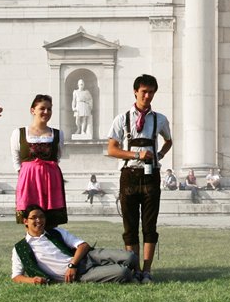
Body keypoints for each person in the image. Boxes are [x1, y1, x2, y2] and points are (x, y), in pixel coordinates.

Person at [106, 74, 173, 283]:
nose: (148, 95)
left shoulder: (160, 119)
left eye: (151, 92)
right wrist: (136, 155)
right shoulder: (121, 118)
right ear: (136, 92)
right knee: (130, 224)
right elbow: (111, 149)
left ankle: (147, 270)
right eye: (144, 91)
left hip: (151, 174)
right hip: (129, 174)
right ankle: (133, 268)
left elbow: (168, 141)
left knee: (150, 225)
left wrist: (159, 155)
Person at [11, 205, 137, 284]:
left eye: (41, 217)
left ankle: (137, 274)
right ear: (25, 221)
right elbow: (16, 276)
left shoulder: (55, 232)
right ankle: (133, 274)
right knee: (123, 273)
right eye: (34, 218)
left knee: (131, 257)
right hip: (80, 276)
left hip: (87, 257)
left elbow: (83, 246)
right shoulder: (20, 248)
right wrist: (32, 280)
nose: (39, 220)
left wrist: (72, 265)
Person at [11, 94, 67, 226]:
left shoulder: (58, 134)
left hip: (50, 179)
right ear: (33, 110)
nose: (46, 112)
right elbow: (16, 161)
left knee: (51, 222)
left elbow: (57, 157)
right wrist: (28, 173)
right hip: (29, 180)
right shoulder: (19, 133)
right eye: (42, 108)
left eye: (49, 109)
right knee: (32, 219)